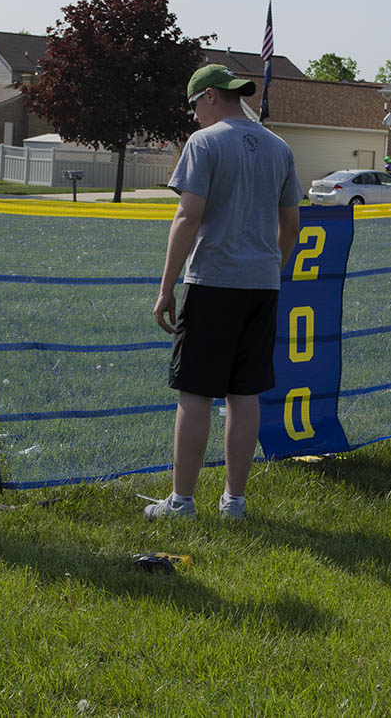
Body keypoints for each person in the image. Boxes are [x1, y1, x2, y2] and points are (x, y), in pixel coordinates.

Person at [146, 64, 302, 520]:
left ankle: (182, 502)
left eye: (195, 105)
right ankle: (235, 501)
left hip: (211, 282)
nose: (194, 116)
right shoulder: (280, 147)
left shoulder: (205, 142)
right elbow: (290, 224)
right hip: (261, 286)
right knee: (244, 394)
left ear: (211, 96)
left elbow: (187, 217)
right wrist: (270, 267)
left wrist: (165, 288)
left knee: (195, 393)